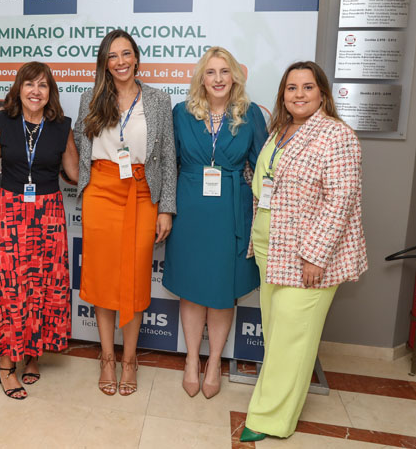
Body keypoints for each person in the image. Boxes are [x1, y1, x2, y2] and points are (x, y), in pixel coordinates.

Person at [240, 62, 367, 441]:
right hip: (271, 247)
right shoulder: (279, 132)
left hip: (307, 256)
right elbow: (267, 182)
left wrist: (316, 256)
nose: (299, 94)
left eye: (307, 87)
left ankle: (268, 419)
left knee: (291, 342)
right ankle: (273, 403)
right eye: (291, 88)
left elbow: (340, 201)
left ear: (322, 93)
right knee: (277, 335)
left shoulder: (337, 135)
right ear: (283, 95)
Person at [74, 29, 177, 396]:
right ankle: (106, 357)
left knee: (134, 277)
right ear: (105, 63)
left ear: (136, 58)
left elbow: (168, 156)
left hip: (142, 193)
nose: (120, 61)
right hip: (101, 193)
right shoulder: (90, 98)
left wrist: (166, 208)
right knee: (103, 278)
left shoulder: (159, 100)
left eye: (126, 53)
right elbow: (80, 144)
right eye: (112, 56)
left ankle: (130, 359)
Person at [164, 47, 267, 398]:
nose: (218, 79)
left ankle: (213, 363)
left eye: (225, 71)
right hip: (189, 211)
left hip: (231, 212)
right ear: (201, 78)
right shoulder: (181, 112)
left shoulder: (250, 115)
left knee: (223, 292)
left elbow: (263, 167)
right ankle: (192, 359)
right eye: (211, 72)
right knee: (192, 290)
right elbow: (169, 165)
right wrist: (164, 209)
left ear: (235, 77)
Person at [0, 62, 79, 400]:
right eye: (29, 84)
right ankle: (6, 364)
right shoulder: (3, 122)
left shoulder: (62, 126)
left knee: (43, 285)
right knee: (11, 288)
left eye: (43, 85)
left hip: (49, 214)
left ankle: (33, 353)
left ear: (51, 92)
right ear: (18, 89)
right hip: (11, 211)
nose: (36, 91)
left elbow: (75, 173)